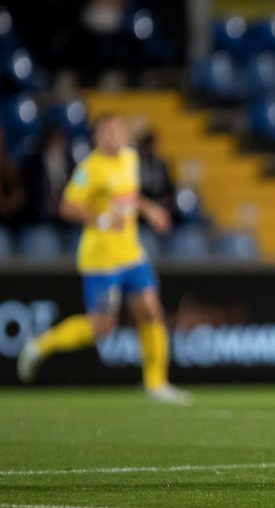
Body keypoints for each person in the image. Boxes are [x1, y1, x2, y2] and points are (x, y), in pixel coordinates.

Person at [18, 113, 190, 405]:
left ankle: (156, 383)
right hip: (101, 260)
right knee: (103, 327)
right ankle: (39, 345)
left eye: (118, 130)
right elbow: (67, 207)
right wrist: (100, 218)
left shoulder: (130, 158)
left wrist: (150, 211)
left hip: (131, 254)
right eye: (107, 131)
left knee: (151, 311)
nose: (114, 136)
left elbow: (130, 196)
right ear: (97, 137)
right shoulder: (90, 168)